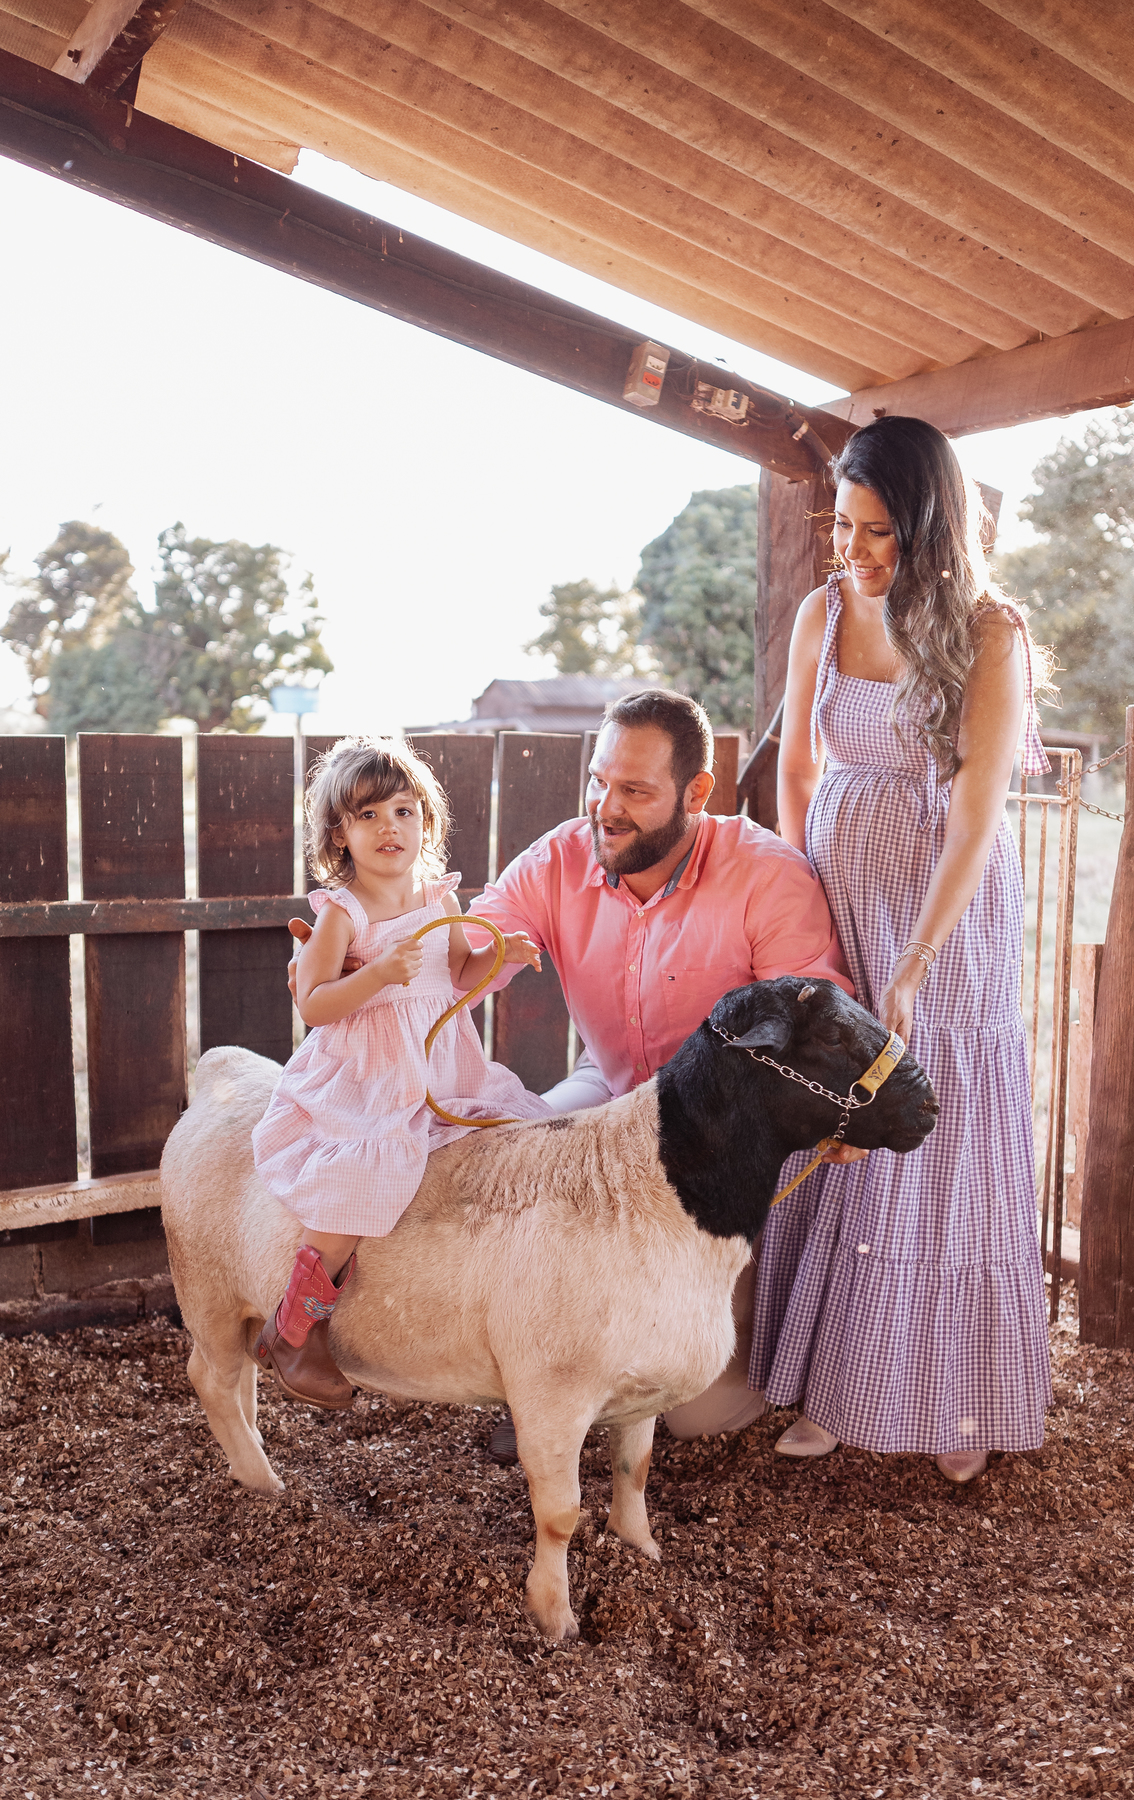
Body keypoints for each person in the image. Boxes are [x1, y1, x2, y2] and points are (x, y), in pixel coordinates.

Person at [749, 414, 1054, 1485]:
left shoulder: (990, 633)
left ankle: (959, 1395)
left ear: (929, 526)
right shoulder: (824, 612)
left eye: (878, 531)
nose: (856, 550)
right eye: (844, 526)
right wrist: (797, 905)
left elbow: (975, 813)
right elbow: (796, 767)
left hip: (945, 915)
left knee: (940, 1124)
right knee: (839, 1110)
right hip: (840, 892)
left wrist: (919, 958)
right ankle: (839, 1381)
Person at [462, 688, 856, 1459]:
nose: (606, 809)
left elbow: (813, 1025)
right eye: (599, 781)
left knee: (698, 1416)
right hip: (611, 1087)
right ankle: (550, 1373)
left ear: (696, 793)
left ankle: (658, 1352)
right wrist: (379, 962)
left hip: (725, 1128)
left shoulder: (766, 876)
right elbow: (470, 952)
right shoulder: (559, 857)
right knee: (522, 1151)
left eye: (635, 792)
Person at [252, 736, 549, 1410]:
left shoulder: (440, 899)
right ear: (340, 834)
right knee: (365, 1173)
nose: (390, 827)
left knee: (520, 1128)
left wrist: (499, 956)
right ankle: (294, 1327)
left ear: (426, 821)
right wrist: (379, 975)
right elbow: (314, 1003)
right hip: (369, 1073)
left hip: (439, 1067)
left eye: (403, 811)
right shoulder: (344, 913)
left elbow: (457, 976)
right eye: (369, 815)